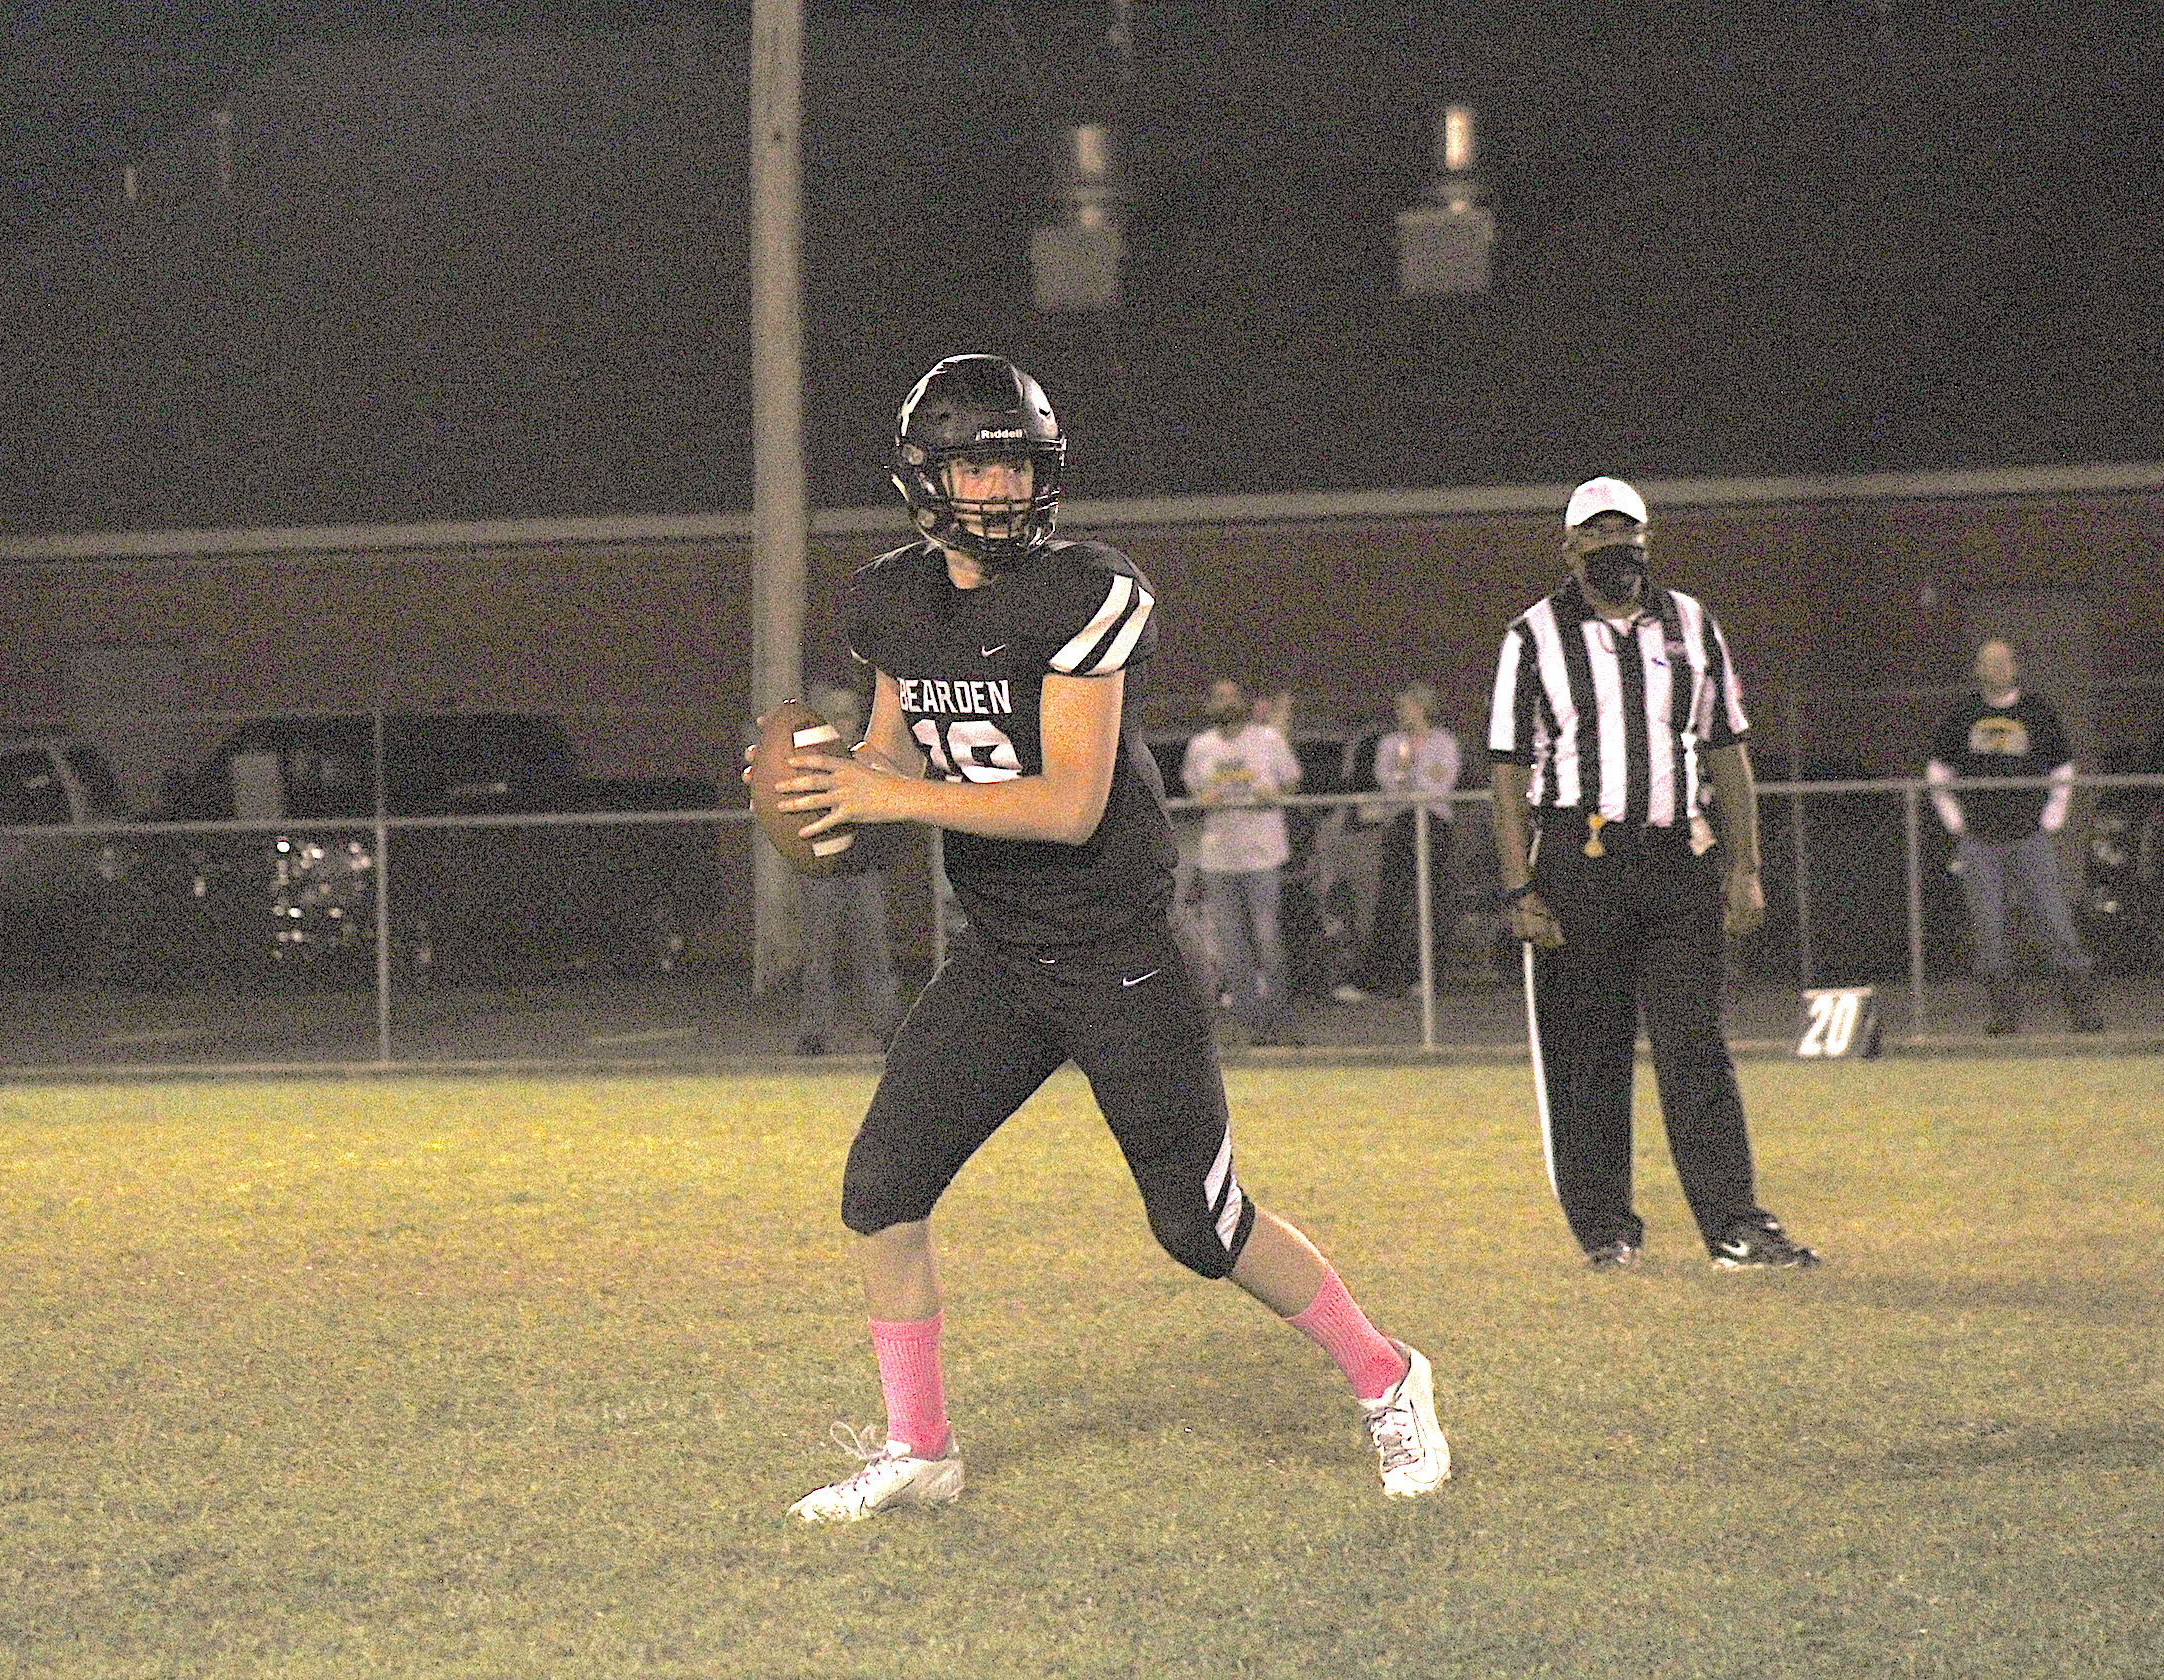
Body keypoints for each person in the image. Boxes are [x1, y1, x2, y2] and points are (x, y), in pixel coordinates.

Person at [756, 353, 1449, 1519]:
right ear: (924, 480)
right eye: (976, 465)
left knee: (1201, 1225)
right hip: (999, 956)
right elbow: (894, 757)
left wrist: (893, 800)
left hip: (1119, 954)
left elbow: (1069, 804)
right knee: (881, 1188)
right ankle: (919, 1445)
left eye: (1017, 464)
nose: (1000, 488)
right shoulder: (891, 600)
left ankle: (1390, 1378)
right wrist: (826, 787)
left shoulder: (1086, 592)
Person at [1486, 475, 1819, 1272]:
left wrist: (1747, 865)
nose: (1615, 550)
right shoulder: (1533, 635)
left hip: (1678, 859)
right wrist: (1519, 888)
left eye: (1625, 534)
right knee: (1587, 1051)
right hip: (1578, 860)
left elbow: (1727, 750)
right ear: (1570, 549)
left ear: (1648, 538)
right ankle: (1605, 1228)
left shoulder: (1693, 622)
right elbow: (1505, 768)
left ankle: (1734, 1224)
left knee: (1694, 1045)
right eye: (1597, 537)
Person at [1927, 639, 2103, 1034]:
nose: (1999, 669)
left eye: (2005, 662)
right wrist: (1956, 823)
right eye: (1990, 663)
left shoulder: (2037, 712)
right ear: (1977, 669)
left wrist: (2051, 820)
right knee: (1988, 927)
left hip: (2028, 837)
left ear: (2015, 667)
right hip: (1979, 840)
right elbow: (1938, 774)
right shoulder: (1962, 715)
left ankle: (2082, 1009)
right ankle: (2004, 1014)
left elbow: (2063, 771)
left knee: (2055, 920)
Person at [1181, 676, 1303, 1044]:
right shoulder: (1201, 746)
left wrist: (1274, 791)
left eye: (1230, 696)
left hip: (1262, 855)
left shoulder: (1267, 740)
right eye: (1217, 697)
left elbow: (1292, 781)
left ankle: (1278, 1020)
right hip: (1219, 857)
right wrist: (1204, 797)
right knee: (1232, 947)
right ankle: (1250, 1025)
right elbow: (1193, 788)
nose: (1224, 702)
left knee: (1267, 939)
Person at [792, 677, 908, 1056]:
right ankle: (815, 1032)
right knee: (817, 955)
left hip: (864, 868)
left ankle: (887, 1027)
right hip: (823, 871)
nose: (843, 722)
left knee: (874, 953)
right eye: (835, 715)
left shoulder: (869, 757)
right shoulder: (815, 760)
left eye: (848, 715)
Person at [1339, 681, 1459, 1002]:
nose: (1401, 713)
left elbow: (1442, 782)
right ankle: (1377, 976)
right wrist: (1406, 773)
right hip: (1401, 822)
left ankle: (1427, 976)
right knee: (1391, 897)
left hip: (1433, 823)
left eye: (1406, 707)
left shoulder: (1443, 742)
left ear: (1421, 708)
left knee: (1430, 900)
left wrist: (1412, 779)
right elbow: (1387, 782)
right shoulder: (1391, 743)